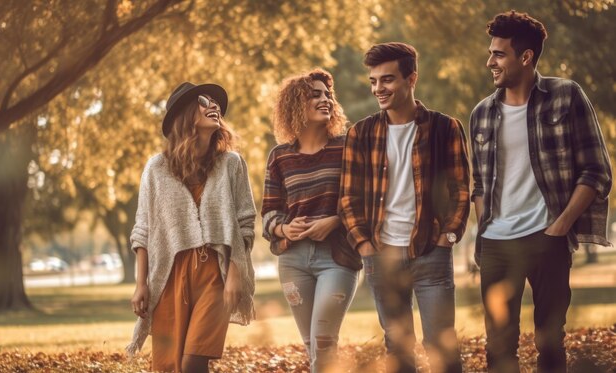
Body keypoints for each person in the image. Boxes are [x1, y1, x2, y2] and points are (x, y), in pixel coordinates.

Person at [470, 10, 612, 373]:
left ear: (526, 56)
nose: (490, 62)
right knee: (498, 347)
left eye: (498, 54)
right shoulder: (482, 114)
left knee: (550, 342)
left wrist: (559, 227)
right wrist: (484, 229)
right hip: (497, 245)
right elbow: (480, 184)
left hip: (547, 239)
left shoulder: (566, 96)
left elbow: (597, 171)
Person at [339, 42, 469, 373]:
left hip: (431, 252)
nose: (378, 89)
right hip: (382, 256)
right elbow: (348, 198)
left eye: (387, 79)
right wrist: (366, 247)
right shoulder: (361, 134)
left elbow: (461, 190)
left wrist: (448, 237)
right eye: (373, 81)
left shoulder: (445, 128)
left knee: (441, 343)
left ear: (412, 79)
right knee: (397, 348)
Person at [126, 82, 257, 373]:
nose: (214, 106)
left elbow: (245, 224)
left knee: (193, 362)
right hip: (169, 275)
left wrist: (235, 274)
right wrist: (141, 284)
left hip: (215, 274)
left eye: (215, 102)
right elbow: (143, 229)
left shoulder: (232, 164)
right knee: (171, 366)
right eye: (203, 100)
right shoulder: (156, 168)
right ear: (183, 115)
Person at [261, 68, 361, 372]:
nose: (325, 99)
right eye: (314, 94)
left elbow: (364, 201)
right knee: (311, 344)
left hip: (337, 257)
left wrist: (334, 220)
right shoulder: (280, 157)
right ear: (295, 104)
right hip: (293, 260)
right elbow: (268, 213)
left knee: (323, 341)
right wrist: (283, 227)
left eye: (327, 94)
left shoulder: (347, 148)